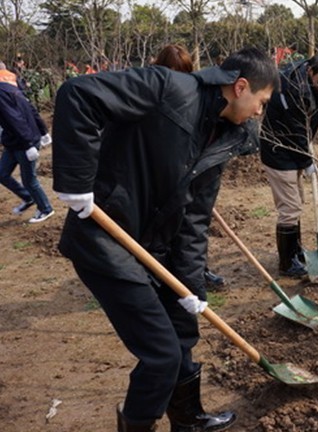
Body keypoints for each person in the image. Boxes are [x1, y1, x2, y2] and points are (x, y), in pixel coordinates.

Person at [52, 47, 278, 432]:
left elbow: (195, 219)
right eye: (262, 101)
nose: (260, 112)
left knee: (182, 329)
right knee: (161, 354)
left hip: (154, 245)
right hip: (105, 239)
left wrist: (192, 288)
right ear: (241, 87)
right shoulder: (167, 88)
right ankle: (138, 424)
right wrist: (76, 183)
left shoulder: (226, 136)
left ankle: (187, 419)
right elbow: (78, 93)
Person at [153, 43, 224, 290]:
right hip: (162, 176)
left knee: (194, 224)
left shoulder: (196, 99)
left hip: (191, 172)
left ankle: (198, 271)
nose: (177, 79)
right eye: (172, 71)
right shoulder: (152, 97)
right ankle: (163, 275)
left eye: (182, 72)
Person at [260, 53, 318, 278]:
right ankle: (287, 262)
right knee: (290, 207)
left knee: (296, 202)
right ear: (310, 71)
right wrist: (308, 160)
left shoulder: (305, 79)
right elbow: (295, 129)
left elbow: (304, 127)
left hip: (293, 149)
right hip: (279, 151)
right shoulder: (293, 88)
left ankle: (296, 250)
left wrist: (306, 152)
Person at [0, 71, 55, 223]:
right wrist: (43, 130)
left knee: (29, 179)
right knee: (2, 173)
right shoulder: (11, 89)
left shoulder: (3, 92)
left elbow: (15, 119)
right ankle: (27, 197)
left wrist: (29, 144)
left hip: (24, 142)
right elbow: (31, 110)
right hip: (13, 141)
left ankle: (46, 209)